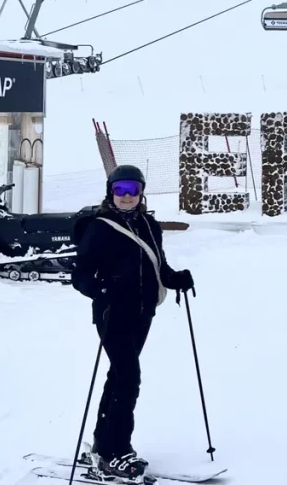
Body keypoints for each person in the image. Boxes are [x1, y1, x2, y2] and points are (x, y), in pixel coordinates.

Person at [71, 165, 195, 481]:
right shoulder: (99, 228)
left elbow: (159, 267)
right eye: (120, 189)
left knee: (119, 376)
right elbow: (81, 275)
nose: (126, 196)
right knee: (128, 378)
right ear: (110, 191)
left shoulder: (148, 225)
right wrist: (102, 291)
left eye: (133, 189)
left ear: (141, 192)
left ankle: (102, 443)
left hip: (143, 312)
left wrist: (176, 279)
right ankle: (116, 451)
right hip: (112, 314)